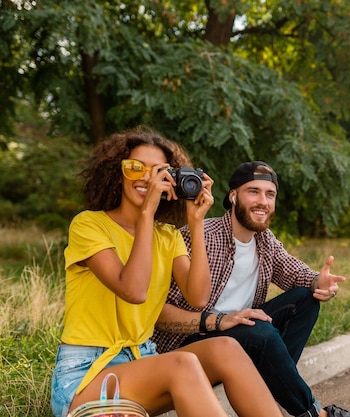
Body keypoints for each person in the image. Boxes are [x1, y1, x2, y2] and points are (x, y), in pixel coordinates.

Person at [50, 127, 282, 417]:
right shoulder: (89, 225)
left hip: (142, 363)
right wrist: (147, 213)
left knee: (227, 348)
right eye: (135, 168)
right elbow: (133, 290)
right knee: (181, 364)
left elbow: (198, 298)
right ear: (117, 173)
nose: (146, 177)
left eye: (158, 170)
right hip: (86, 377)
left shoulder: (167, 236)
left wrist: (196, 222)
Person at [151, 161, 350, 417]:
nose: (263, 201)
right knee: (261, 331)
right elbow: (158, 315)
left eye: (270, 194)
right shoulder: (199, 235)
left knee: (305, 299)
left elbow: (296, 274)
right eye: (253, 191)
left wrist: (318, 283)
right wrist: (220, 321)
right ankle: (316, 414)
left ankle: (267, 389)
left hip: (243, 334)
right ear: (233, 196)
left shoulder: (265, 241)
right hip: (191, 341)